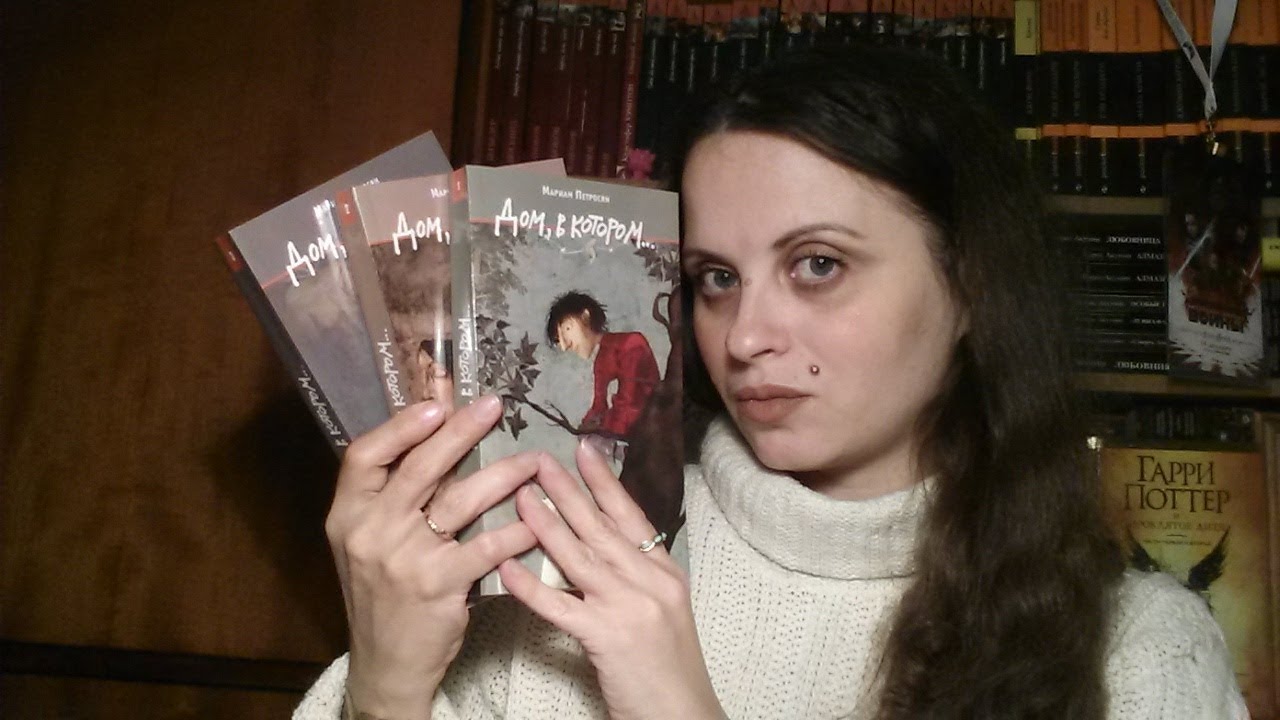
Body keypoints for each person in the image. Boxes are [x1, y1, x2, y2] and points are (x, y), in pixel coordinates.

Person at [296, 44, 1246, 720]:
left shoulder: (1141, 653)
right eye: (716, 278)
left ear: (971, 285)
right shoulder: (561, 553)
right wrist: (385, 688)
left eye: (818, 265)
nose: (745, 337)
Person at [545, 291, 661, 449]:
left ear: (585, 317)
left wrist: (600, 426)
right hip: (625, 434)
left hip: (652, 430)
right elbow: (599, 406)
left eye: (567, 329)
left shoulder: (631, 343)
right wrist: (585, 427)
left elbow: (629, 403)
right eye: (559, 341)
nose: (565, 346)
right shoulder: (601, 361)